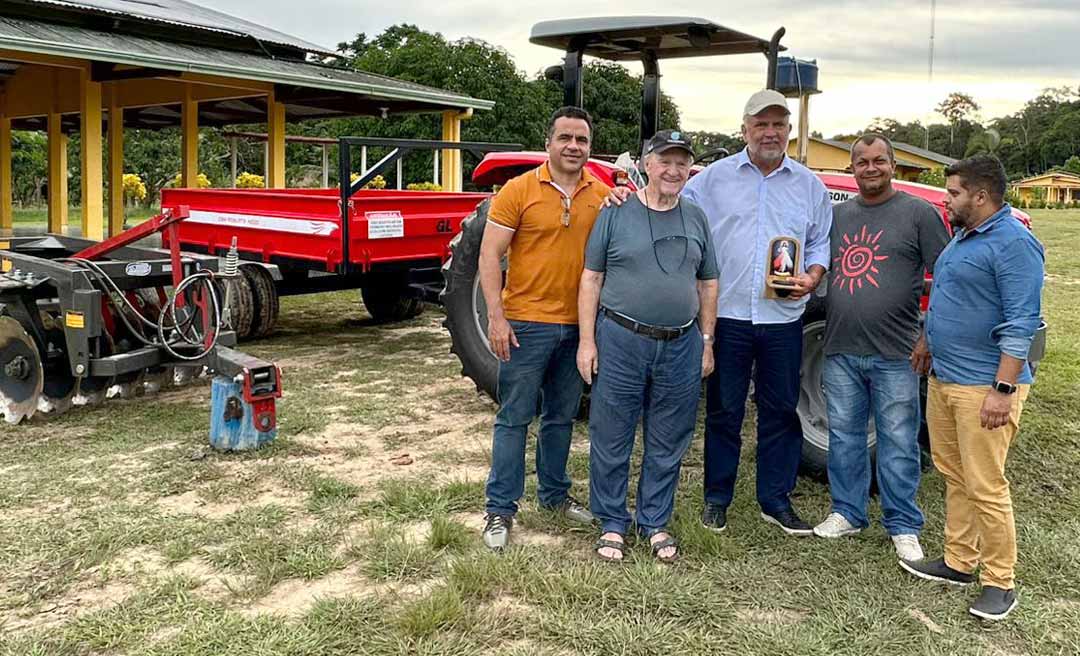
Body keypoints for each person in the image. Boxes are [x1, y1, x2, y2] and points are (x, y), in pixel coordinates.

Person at [899, 155, 1044, 621]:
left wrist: (1003, 389)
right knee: (954, 472)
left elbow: (1022, 322)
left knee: (985, 483)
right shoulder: (964, 236)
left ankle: (1000, 582)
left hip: (984, 385)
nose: (948, 199)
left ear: (981, 196)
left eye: (956, 193)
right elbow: (946, 296)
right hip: (946, 376)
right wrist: (926, 340)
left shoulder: (1014, 244)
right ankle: (959, 561)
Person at [685, 89, 832, 535]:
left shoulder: (810, 186)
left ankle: (775, 499)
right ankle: (717, 498)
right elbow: (677, 218)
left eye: (778, 124)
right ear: (744, 128)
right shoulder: (710, 181)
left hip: (782, 319)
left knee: (781, 410)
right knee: (725, 410)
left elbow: (821, 241)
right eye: (761, 124)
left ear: (789, 130)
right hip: (727, 316)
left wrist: (812, 276)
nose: (770, 132)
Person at [578, 130, 719, 563]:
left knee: (670, 436)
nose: (674, 170)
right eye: (665, 161)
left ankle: (655, 519)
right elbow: (591, 279)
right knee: (611, 432)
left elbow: (708, 282)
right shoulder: (616, 212)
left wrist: (707, 341)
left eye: (682, 163)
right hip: (621, 339)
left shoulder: (696, 216)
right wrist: (587, 341)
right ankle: (612, 521)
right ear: (646, 164)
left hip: (681, 343)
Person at [811, 133, 950, 563]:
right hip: (839, 347)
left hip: (897, 350)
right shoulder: (836, 216)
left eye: (879, 161)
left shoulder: (919, 214)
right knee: (846, 437)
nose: (871, 169)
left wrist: (928, 337)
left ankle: (903, 524)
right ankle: (847, 512)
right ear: (851, 169)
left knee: (898, 440)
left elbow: (945, 278)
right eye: (862, 162)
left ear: (893, 164)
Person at [477, 106, 611, 551]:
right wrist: (496, 315)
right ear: (549, 143)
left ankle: (554, 496)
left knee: (560, 417)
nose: (574, 147)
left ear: (590, 147)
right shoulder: (518, 190)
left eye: (582, 140)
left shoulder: (602, 192)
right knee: (514, 417)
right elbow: (488, 256)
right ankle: (500, 509)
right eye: (566, 138)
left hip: (578, 327)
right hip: (526, 325)